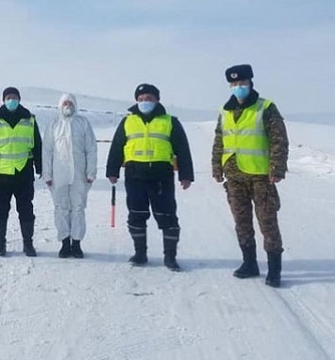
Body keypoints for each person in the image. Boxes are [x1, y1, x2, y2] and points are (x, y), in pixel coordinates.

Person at [212, 64, 288, 288]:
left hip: (261, 175)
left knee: (268, 222)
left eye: (242, 83)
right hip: (234, 176)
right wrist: (217, 166)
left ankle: (274, 270)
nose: (238, 87)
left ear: (251, 83)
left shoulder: (266, 107)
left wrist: (277, 168)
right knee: (241, 221)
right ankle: (249, 263)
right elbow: (219, 139)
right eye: (234, 84)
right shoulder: (225, 111)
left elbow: (278, 140)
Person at [106, 83, 194, 271]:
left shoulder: (170, 121)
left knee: (167, 216)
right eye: (141, 99)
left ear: (157, 100)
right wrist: (112, 171)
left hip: (161, 176)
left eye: (149, 98)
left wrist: (186, 175)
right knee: (136, 215)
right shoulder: (127, 122)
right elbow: (116, 147)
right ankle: (140, 254)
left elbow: (182, 149)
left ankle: (170, 257)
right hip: (135, 175)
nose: (144, 102)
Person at [0, 86, 43, 257]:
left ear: (19, 99)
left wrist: (40, 165)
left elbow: (37, 144)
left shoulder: (29, 119)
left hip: (24, 173)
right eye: (8, 97)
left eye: (14, 97)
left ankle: (28, 244)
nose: (11, 100)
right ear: (3, 100)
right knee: (0, 210)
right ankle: (0, 243)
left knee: (26, 210)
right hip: (1, 175)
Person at [42, 93, 98, 259]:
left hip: (79, 175)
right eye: (65, 103)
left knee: (78, 208)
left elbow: (91, 149)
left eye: (70, 103)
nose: (68, 106)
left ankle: (77, 243)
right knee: (61, 208)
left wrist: (91, 171)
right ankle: (65, 242)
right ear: (60, 105)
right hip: (58, 175)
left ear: (75, 105)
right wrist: (47, 174)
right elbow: (47, 151)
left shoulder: (83, 124)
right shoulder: (53, 124)